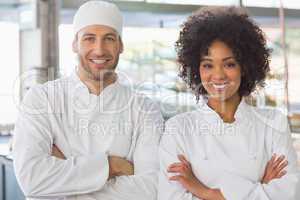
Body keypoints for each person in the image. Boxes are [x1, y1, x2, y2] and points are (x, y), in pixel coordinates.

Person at [13, 1, 163, 200]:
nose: (99, 50)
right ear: (75, 44)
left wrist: (63, 186)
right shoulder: (42, 99)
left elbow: (150, 189)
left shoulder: (144, 109)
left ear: (120, 45)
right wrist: (112, 166)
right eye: (89, 38)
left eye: (108, 39)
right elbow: (32, 180)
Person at [158, 6, 299, 200]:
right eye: (208, 65)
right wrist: (261, 188)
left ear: (245, 67)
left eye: (229, 64)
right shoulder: (178, 129)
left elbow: (289, 194)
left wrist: (204, 192)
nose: (218, 75)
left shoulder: (274, 122)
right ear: (196, 69)